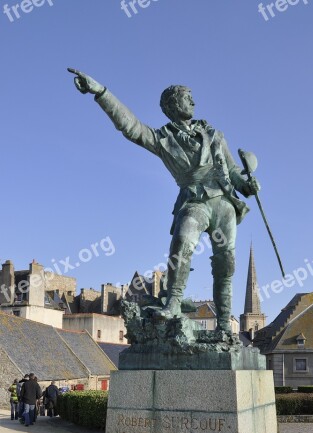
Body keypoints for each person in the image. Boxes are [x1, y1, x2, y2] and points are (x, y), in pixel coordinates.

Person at [68, 70, 260, 333]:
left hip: (223, 203)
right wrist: (101, 92)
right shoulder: (162, 139)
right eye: (187, 97)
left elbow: (233, 170)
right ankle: (173, 302)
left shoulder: (214, 134)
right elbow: (131, 127)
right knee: (182, 240)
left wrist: (247, 184)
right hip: (194, 200)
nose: (192, 101)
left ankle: (225, 324)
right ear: (172, 105)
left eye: (192, 97)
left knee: (225, 261)